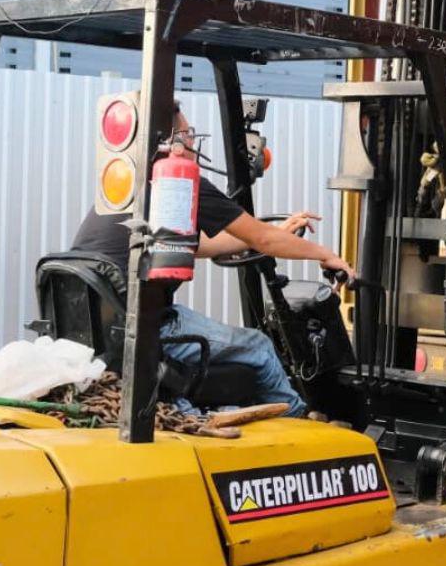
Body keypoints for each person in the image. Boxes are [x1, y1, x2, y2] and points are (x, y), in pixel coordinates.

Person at [71, 103, 355, 415]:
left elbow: (207, 245)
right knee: (259, 347)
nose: (192, 142)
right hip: (148, 328)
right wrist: (326, 255)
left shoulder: (126, 188)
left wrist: (274, 233)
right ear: (171, 142)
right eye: (187, 134)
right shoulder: (178, 183)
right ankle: (301, 425)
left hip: (107, 332)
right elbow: (263, 240)